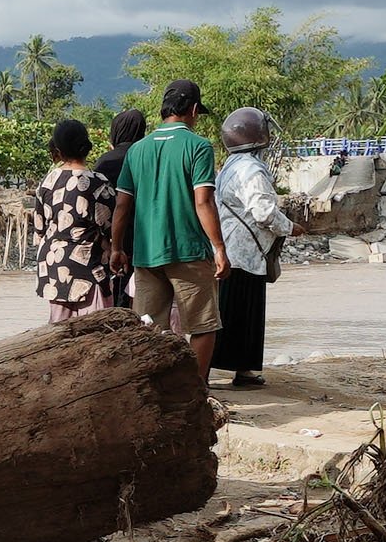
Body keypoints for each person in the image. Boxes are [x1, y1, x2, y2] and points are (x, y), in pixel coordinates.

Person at [122, 81, 224, 371]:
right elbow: (203, 201)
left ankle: (155, 391)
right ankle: (196, 391)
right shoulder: (199, 146)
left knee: (147, 329)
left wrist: (118, 248)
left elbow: (122, 205)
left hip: (146, 253)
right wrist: (218, 247)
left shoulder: (137, 150)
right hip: (188, 251)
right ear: (193, 110)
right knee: (203, 325)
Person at [212, 104, 290, 388]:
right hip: (247, 250)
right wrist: (290, 227)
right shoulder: (252, 169)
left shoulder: (230, 166)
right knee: (245, 311)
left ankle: (225, 366)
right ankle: (242, 370)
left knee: (228, 309)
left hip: (230, 247)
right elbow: (263, 212)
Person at [29, 118, 122, 322]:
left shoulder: (46, 182)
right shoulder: (97, 182)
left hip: (53, 265)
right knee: (98, 333)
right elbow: (110, 227)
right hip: (89, 267)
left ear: (58, 151)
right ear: (86, 148)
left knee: (59, 333)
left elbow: (39, 229)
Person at [98, 105, 147, 283]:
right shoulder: (149, 156)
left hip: (115, 239)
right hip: (147, 237)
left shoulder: (106, 161)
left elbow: (99, 205)